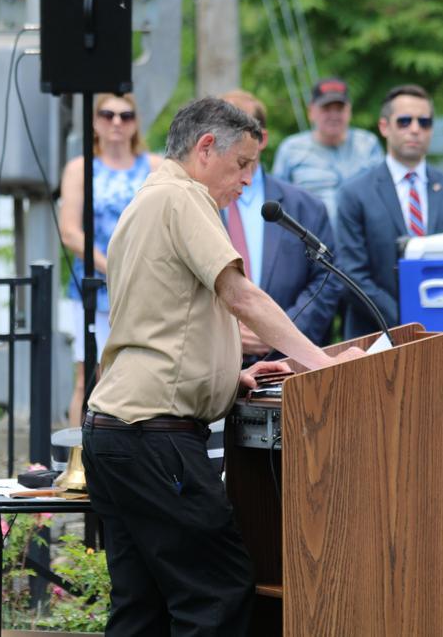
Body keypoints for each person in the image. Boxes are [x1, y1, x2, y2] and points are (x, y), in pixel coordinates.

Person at [82, 97, 365, 635]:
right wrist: (325, 363)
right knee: (218, 589)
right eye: (242, 165)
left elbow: (161, 318)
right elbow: (243, 298)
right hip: (155, 433)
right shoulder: (184, 198)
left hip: (116, 432)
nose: (245, 182)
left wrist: (228, 376)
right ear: (205, 148)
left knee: (141, 607)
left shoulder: (145, 201)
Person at [336, 84, 443, 339]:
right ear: (384, 126)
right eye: (404, 121)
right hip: (375, 337)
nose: (415, 129)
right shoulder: (355, 194)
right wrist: (408, 319)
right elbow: (350, 274)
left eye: (424, 122)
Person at [58, 92, 162, 426]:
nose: (116, 122)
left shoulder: (155, 166)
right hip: (97, 287)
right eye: (107, 114)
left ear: (135, 122)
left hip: (145, 287)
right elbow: (70, 232)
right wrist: (112, 267)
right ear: (94, 122)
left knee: (143, 376)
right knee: (90, 377)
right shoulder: (80, 167)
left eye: (125, 115)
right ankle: (78, 458)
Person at [221, 89, 341, 356]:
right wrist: (226, 334)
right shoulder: (196, 204)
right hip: (216, 359)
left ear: (262, 138)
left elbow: (327, 279)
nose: (226, 142)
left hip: (288, 363)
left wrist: (276, 332)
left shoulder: (304, 207)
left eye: (235, 131)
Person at [271, 77, 383, 225]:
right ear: (311, 111)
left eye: (339, 109)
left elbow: (383, 194)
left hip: (360, 239)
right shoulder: (291, 148)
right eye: (326, 109)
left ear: (349, 111)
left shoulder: (368, 144)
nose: (334, 115)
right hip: (309, 239)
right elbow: (278, 200)